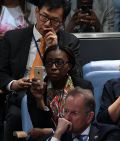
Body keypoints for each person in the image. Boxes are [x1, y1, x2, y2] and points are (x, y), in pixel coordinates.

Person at [0, 0, 82, 140]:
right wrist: (13, 84)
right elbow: (1, 72)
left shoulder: (70, 42)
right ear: (36, 11)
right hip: (20, 96)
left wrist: (56, 50)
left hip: (55, 98)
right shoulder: (13, 37)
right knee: (15, 115)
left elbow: (77, 77)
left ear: (62, 21)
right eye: (44, 17)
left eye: (55, 20)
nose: (48, 24)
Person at [26, 46, 93, 140]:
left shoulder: (83, 86)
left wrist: (52, 131)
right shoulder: (35, 89)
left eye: (59, 63)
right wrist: (39, 100)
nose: (53, 67)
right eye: (49, 63)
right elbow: (39, 128)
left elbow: (86, 122)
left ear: (69, 66)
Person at [49, 87, 120, 141]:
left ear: (89, 117)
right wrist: (57, 134)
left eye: (74, 113)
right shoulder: (59, 134)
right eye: (66, 111)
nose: (67, 118)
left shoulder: (108, 133)